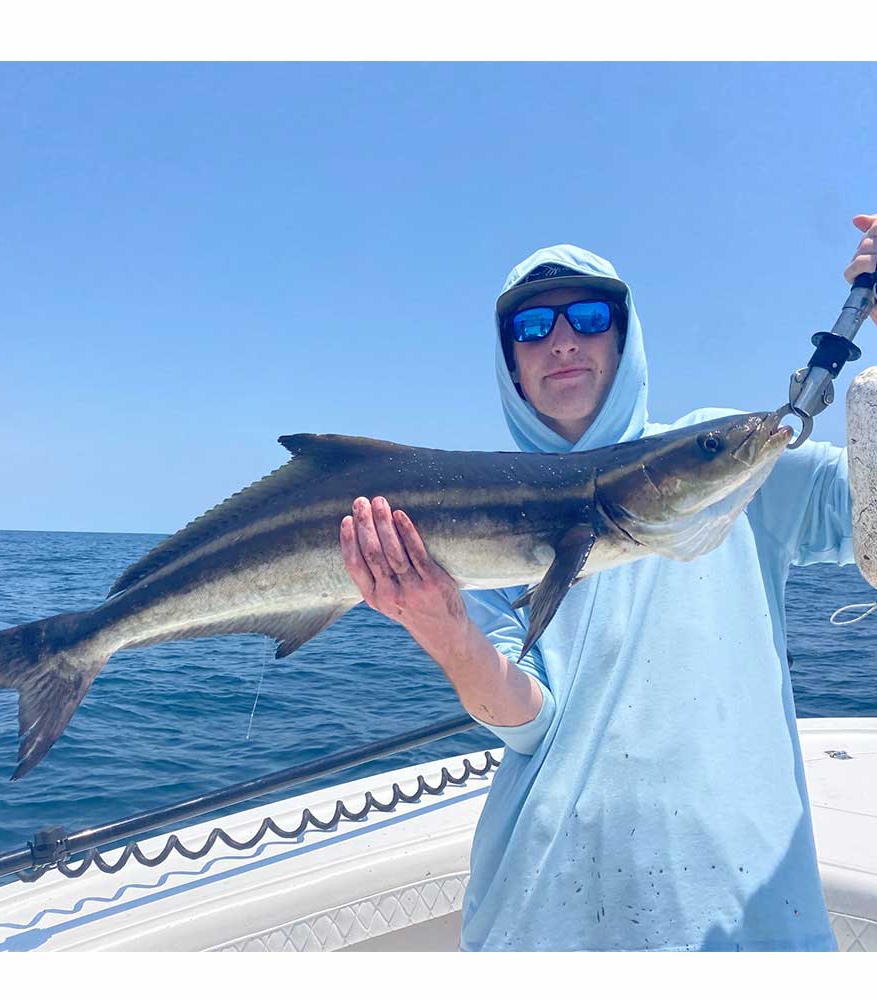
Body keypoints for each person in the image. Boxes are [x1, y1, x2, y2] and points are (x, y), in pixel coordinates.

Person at [339, 213, 877, 951]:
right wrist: (444, 629)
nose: (561, 341)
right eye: (531, 328)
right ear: (510, 364)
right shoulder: (479, 518)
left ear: (623, 340)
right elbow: (527, 719)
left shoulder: (734, 461)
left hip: (743, 922)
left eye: (589, 317)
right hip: (539, 920)